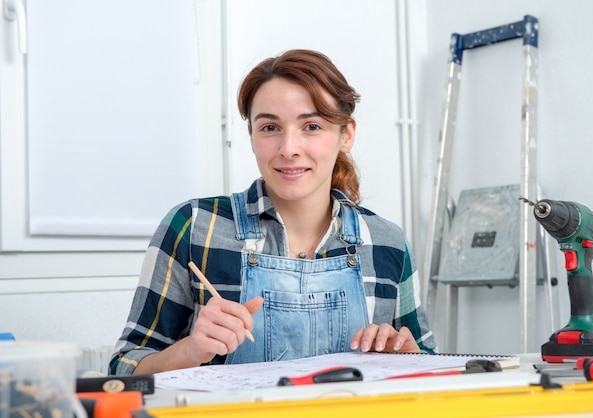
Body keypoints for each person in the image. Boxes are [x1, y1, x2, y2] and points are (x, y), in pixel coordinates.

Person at [109, 49, 436, 375]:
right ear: (251, 134)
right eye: (269, 128)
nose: (288, 148)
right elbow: (123, 371)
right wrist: (191, 350)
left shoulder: (386, 241)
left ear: (346, 134)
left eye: (311, 126)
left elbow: (433, 371)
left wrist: (409, 359)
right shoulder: (193, 227)